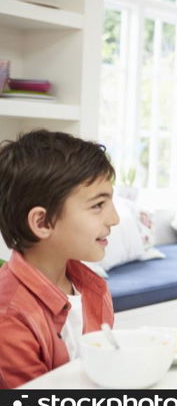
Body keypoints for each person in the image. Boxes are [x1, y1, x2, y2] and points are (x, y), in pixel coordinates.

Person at [0, 130, 119, 388]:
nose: (114, 219)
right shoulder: (8, 316)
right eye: (98, 205)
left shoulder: (92, 288)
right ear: (42, 222)